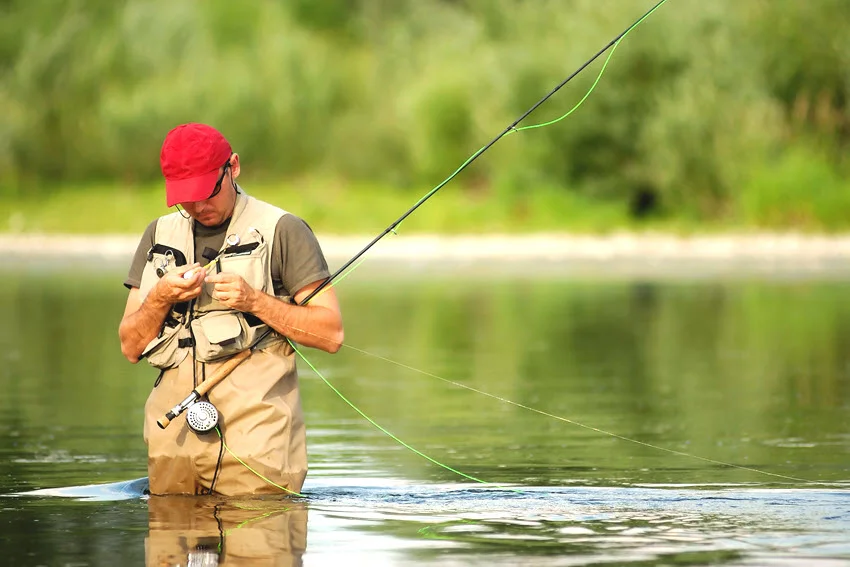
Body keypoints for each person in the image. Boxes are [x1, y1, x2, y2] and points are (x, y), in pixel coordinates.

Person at [119, 122, 344, 496]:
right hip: (171, 443)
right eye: (185, 198)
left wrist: (255, 300)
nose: (199, 206)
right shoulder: (156, 235)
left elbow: (331, 334)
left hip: (259, 446)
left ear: (233, 167)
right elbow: (129, 347)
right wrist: (159, 296)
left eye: (208, 192)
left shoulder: (284, 230)